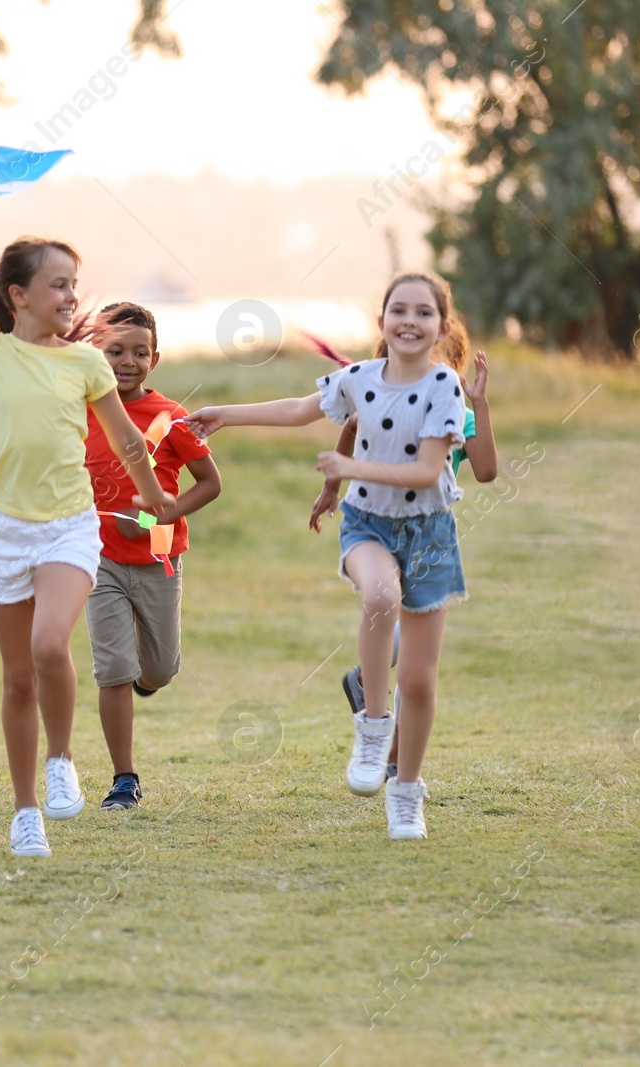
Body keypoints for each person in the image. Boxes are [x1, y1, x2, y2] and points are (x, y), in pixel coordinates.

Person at [0, 216, 175, 857]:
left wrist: (155, 494)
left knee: (49, 643)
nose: (70, 297)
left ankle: (62, 758)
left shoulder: (87, 362)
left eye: (74, 285)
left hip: (69, 527)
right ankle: (25, 811)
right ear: (17, 293)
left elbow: (126, 437)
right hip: (6, 530)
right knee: (18, 677)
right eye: (57, 285)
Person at [185, 271, 471, 840]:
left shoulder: (445, 387)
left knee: (417, 680)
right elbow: (299, 408)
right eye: (399, 311)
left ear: (441, 326)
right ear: (383, 322)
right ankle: (372, 725)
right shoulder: (358, 378)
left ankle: (406, 792)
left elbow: (427, 471)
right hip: (368, 524)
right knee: (380, 593)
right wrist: (227, 413)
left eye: (423, 313)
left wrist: (349, 469)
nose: (410, 321)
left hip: (429, 534)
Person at [314, 350, 498, 782]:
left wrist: (480, 403)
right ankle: (387, 745)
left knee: (416, 671)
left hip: (428, 538)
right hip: (377, 525)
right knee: (386, 603)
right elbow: (350, 425)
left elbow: (487, 469)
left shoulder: (456, 409)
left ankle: (374, 705)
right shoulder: (381, 398)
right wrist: (331, 487)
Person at [79, 302, 220, 810]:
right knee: (112, 666)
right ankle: (124, 778)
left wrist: (169, 512)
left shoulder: (171, 416)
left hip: (159, 560)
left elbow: (211, 483)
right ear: (94, 354)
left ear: (154, 359)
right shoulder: (79, 412)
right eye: (115, 351)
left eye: (139, 353)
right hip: (97, 561)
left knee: (158, 669)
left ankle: (147, 679)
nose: (127, 361)